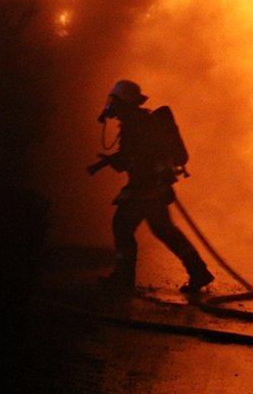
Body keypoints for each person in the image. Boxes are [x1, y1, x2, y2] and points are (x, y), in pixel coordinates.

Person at [90, 79, 214, 293]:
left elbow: (141, 157)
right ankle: (198, 271)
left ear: (123, 102)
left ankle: (124, 279)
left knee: (123, 226)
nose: (112, 106)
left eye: (115, 101)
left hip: (146, 188)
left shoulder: (138, 124)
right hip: (150, 187)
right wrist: (114, 161)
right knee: (164, 231)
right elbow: (135, 155)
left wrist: (120, 162)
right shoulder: (138, 122)